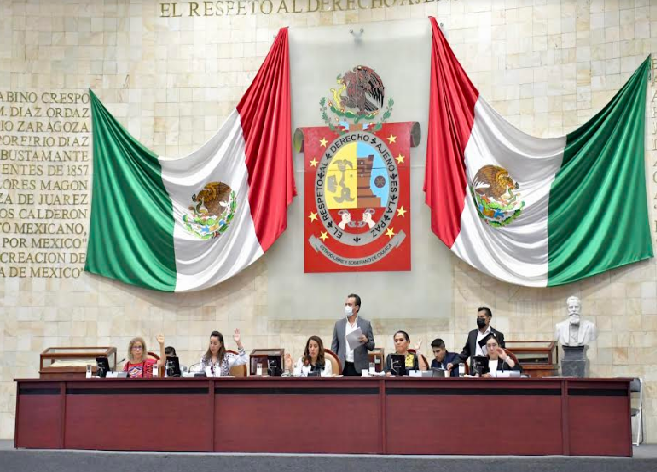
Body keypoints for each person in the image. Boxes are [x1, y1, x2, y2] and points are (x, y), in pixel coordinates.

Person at [331, 293, 375, 376]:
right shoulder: (338, 324)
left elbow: (372, 346)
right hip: (342, 366)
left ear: (357, 307)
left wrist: (366, 341)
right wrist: (333, 365)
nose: (346, 307)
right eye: (345, 304)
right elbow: (334, 347)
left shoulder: (366, 324)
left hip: (360, 368)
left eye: (349, 305)